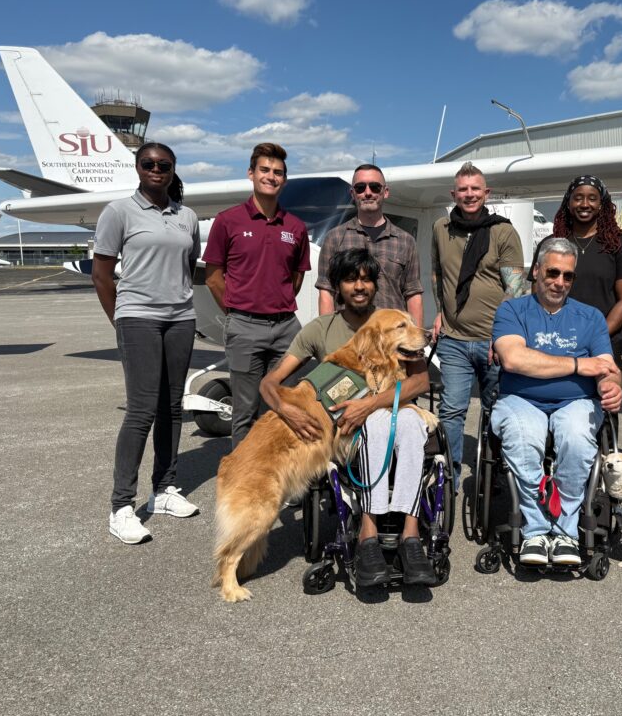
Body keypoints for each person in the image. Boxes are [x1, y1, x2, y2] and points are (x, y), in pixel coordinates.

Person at [259, 248, 437, 586]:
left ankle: (410, 536)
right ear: (337, 287)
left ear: (374, 286)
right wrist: (287, 412)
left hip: (387, 417)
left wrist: (371, 403)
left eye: (367, 280)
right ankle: (367, 533)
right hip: (347, 432)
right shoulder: (320, 330)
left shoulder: (388, 318)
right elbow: (270, 382)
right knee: (380, 423)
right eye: (351, 279)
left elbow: (421, 379)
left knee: (410, 423)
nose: (359, 286)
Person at [92, 142, 201, 544]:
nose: (156, 169)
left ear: (173, 169)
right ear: (138, 168)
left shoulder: (187, 216)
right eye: (148, 163)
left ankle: (164, 489)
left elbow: (188, 268)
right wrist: (121, 320)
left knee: (172, 407)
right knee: (141, 410)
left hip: (180, 318)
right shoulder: (119, 212)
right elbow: (102, 275)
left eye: (164, 164)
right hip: (137, 317)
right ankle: (121, 506)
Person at [490, 237, 622, 566]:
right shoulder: (512, 310)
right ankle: (535, 530)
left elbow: (607, 367)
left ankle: (565, 532)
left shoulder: (590, 317)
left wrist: (611, 385)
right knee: (524, 437)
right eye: (552, 273)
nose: (559, 282)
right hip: (521, 398)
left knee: (577, 439)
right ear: (536, 271)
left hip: (576, 402)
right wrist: (578, 365)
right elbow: (513, 359)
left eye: (568, 276)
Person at [203, 142, 311, 448]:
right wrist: (239, 312)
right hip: (244, 326)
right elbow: (213, 277)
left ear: (284, 180)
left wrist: (276, 302)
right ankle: (244, 485)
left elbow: (297, 275)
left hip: (286, 327)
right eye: (264, 170)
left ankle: (280, 481)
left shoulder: (296, 227)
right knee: (245, 413)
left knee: (284, 408)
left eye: (278, 172)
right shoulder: (228, 221)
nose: (271, 176)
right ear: (251, 174)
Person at [431, 161, 524, 484]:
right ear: (454, 193)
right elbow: (438, 274)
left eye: (475, 189)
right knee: (451, 411)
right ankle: (449, 476)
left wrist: (503, 337)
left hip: (492, 340)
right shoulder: (441, 229)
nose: (469, 195)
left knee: (495, 410)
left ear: (486, 193)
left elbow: (515, 287)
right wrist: (441, 311)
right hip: (454, 339)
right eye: (463, 189)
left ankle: (491, 472)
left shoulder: (503, 231)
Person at [530, 174, 622, 373]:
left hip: (604, 341)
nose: (584, 204)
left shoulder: (619, 245)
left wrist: (594, 336)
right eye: (578, 197)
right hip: (556, 340)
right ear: (568, 202)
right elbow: (537, 294)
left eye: (592, 198)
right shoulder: (551, 244)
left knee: (603, 402)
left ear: (602, 204)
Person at [315, 163, 423, 327]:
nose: (367, 193)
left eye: (374, 187)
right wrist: (327, 338)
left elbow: (413, 294)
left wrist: (415, 341)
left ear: (385, 192)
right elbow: (326, 292)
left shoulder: (406, 241)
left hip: (392, 337)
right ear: (352, 193)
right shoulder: (334, 238)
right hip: (349, 337)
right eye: (360, 188)